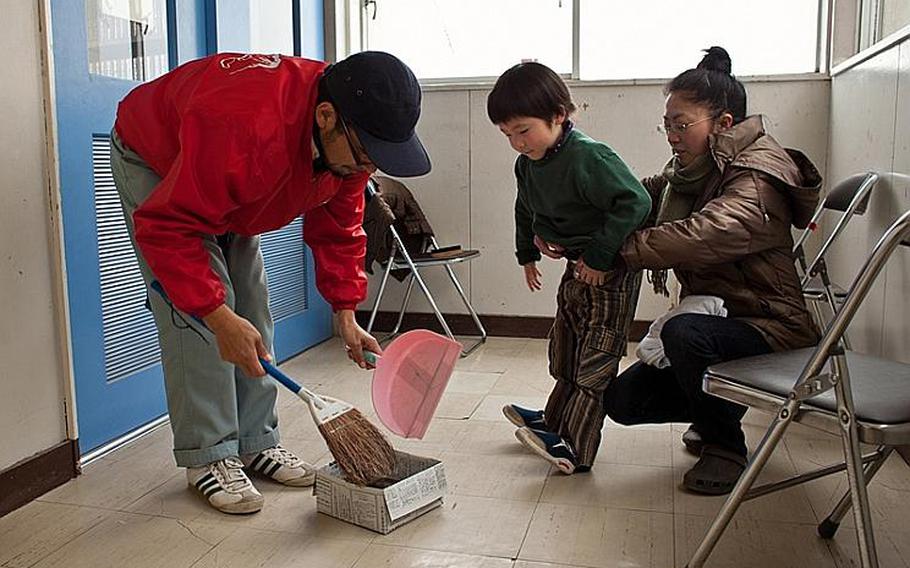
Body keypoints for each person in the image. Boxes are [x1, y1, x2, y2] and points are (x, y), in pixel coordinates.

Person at [110, 50, 430, 514]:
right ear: (326, 118)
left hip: (227, 173)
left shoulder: (346, 142)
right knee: (202, 322)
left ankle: (256, 440)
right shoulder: (245, 129)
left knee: (254, 311)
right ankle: (209, 455)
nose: (370, 168)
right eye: (366, 154)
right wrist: (217, 316)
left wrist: (345, 311)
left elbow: (340, 227)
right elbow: (168, 227)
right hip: (160, 158)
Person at [603, 47, 822, 494]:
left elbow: (705, 233)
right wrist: (575, 223)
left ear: (724, 124)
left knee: (684, 333)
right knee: (622, 401)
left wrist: (618, 251)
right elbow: (640, 198)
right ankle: (715, 409)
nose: (671, 136)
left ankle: (725, 445)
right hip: (725, 321)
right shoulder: (696, 173)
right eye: (667, 124)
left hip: (770, 327)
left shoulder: (758, 175)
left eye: (681, 125)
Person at [487, 62, 651, 474]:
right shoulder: (528, 163)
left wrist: (598, 257)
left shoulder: (590, 157)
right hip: (575, 269)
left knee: (594, 361)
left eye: (523, 130)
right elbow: (525, 206)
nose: (517, 143)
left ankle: (575, 448)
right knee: (567, 349)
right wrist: (528, 251)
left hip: (609, 272)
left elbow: (636, 202)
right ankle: (555, 420)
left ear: (558, 115)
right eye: (507, 135)